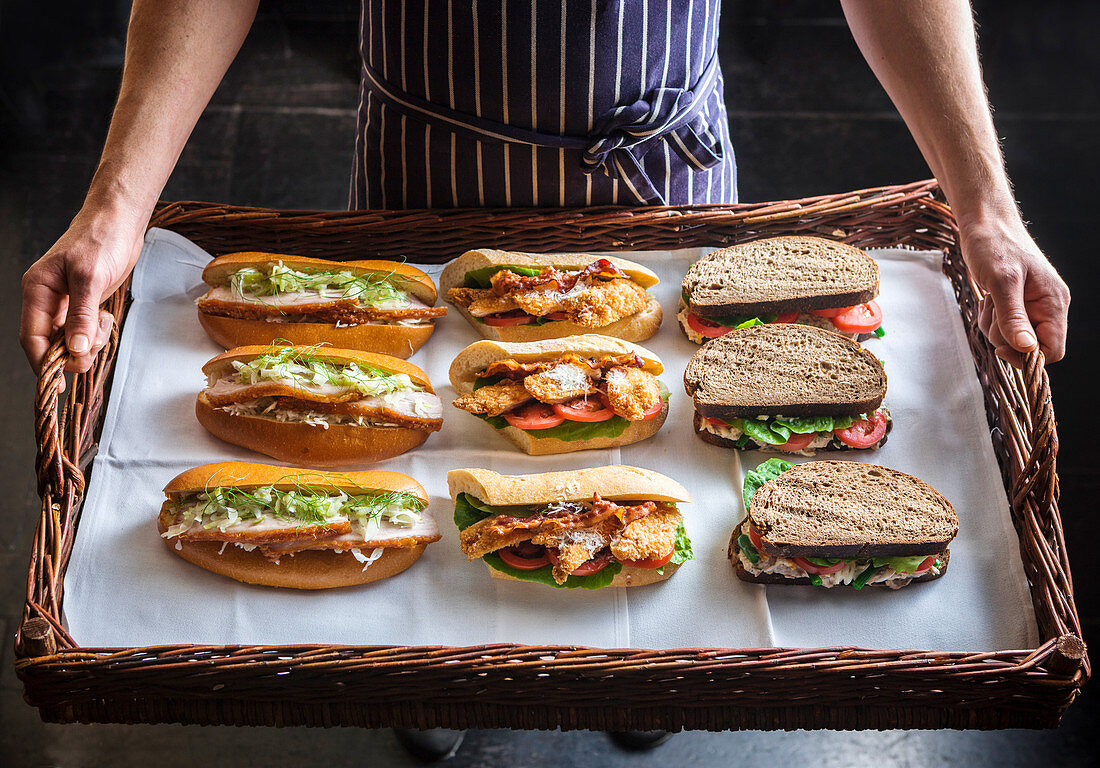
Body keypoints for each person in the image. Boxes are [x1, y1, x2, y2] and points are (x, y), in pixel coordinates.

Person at [17, 0, 1071, 759]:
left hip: (662, 175)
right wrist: (116, 209)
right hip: (426, 177)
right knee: (432, 617)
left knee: (664, 582)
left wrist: (981, 202)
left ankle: (659, 681)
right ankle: (426, 682)